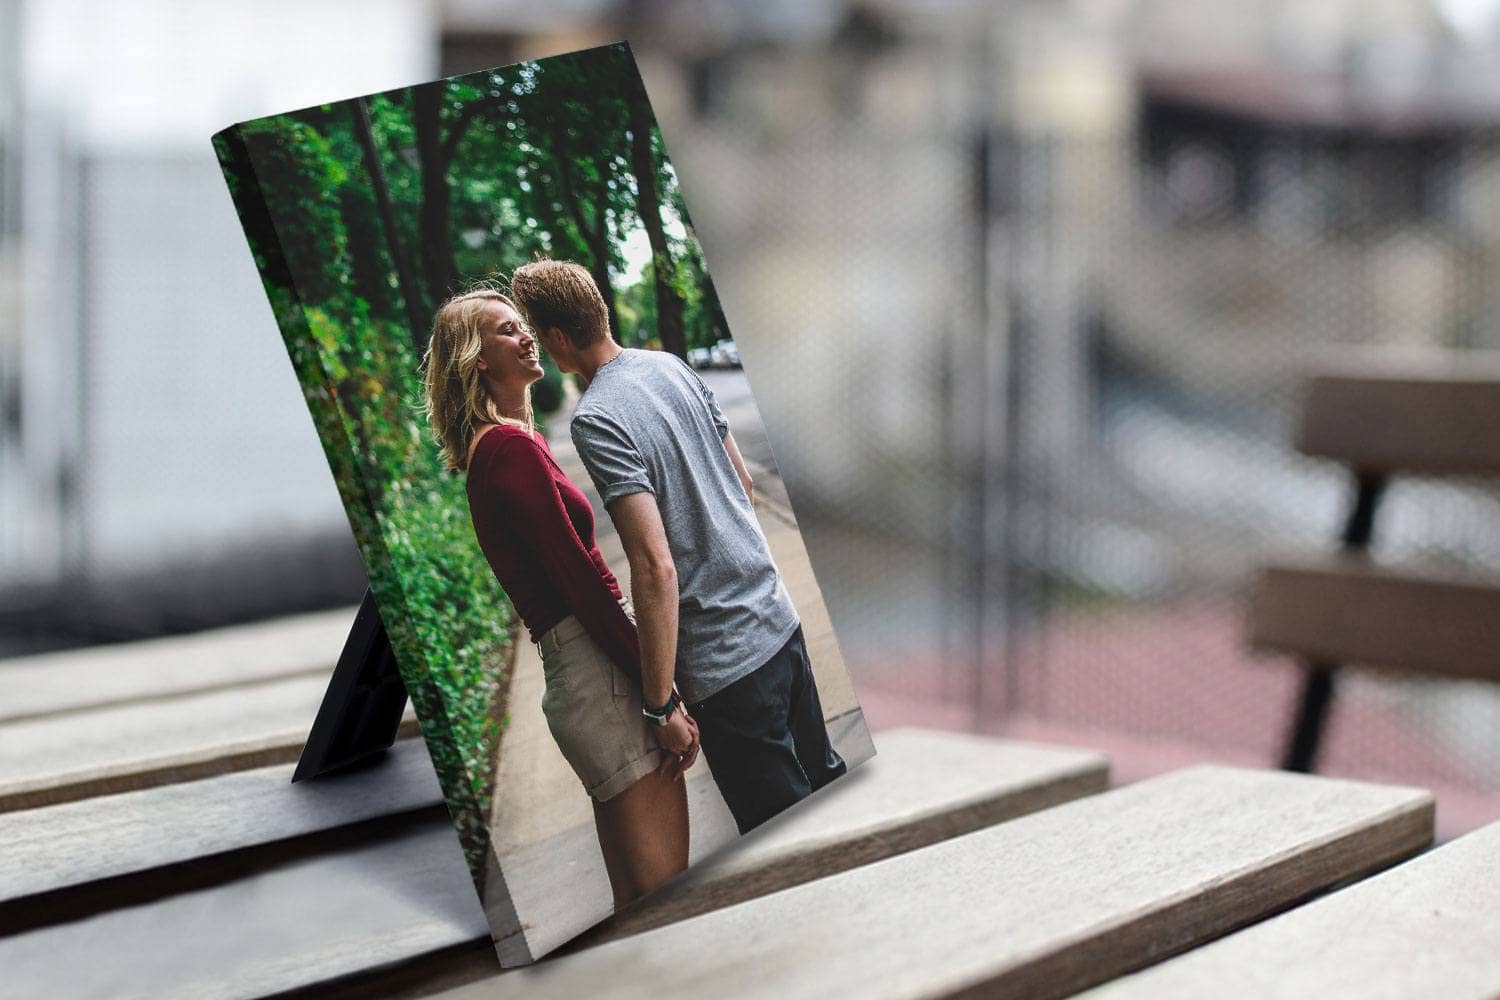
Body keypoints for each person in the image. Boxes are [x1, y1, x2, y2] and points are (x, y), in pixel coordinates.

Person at [510, 260, 847, 835]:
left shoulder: (597, 419)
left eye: (539, 334)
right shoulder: (670, 366)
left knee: (788, 841)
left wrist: (660, 702)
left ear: (558, 338)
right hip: (778, 622)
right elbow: (741, 482)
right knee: (831, 788)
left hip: (727, 665)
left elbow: (653, 565)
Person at [422, 285, 697, 909]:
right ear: (477, 359)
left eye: (524, 325)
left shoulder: (501, 448)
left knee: (639, 901)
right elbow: (585, 583)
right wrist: (662, 700)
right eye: (505, 329)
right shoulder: (510, 450)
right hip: (597, 673)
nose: (526, 335)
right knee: (670, 901)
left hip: (576, 674)